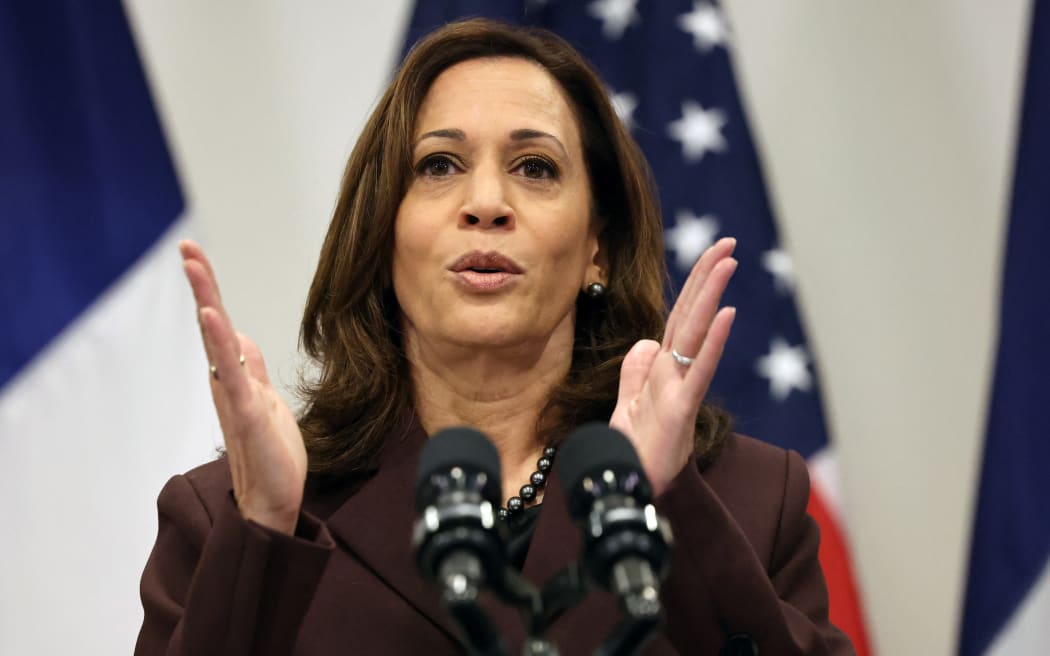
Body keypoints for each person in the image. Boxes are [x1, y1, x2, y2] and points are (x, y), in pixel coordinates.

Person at [135, 18, 854, 656]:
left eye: (535, 168)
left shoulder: (749, 504)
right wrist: (263, 532)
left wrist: (669, 504)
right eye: (439, 166)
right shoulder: (235, 518)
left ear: (596, 249)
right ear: (385, 234)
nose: (485, 204)